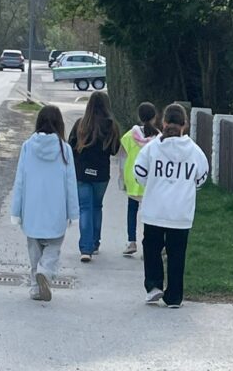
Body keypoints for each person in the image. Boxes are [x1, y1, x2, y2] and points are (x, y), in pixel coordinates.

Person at [133, 103, 210, 308]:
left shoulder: (152, 148)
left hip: (155, 209)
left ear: (164, 123)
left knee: (152, 247)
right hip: (181, 211)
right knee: (177, 253)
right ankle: (174, 296)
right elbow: (201, 178)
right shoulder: (195, 152)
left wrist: (152, 184)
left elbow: (139, 172)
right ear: (185, 125)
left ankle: (154, 285)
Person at [10, 104, 79, 302]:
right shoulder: (64, 149)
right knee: (53, 246)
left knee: (34, 250)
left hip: (31, 209)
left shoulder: (27, 146)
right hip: (56, 209)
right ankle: (46, 271)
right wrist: (73, 213)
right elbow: (70, 183)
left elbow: (20, 180)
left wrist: (16, 211)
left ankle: (35, 287)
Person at [68, 92, 121, 263]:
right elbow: (114, 150)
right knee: (97, 207)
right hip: (101, 174)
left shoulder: (80, 124)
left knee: (85, 208)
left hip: (82, 173)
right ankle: (95, 243)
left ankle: (86, 248)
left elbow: (70, 147)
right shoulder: (111, 126)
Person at [117, 102, 162, 256]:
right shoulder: (159, 139)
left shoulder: (129, 136)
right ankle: (147, 245)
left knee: (132, 210)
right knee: (149, 214)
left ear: (139, 117)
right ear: (155, 117)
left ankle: (131, 242)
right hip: (150, 180)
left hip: (132, 179)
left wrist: (122, 178)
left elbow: (122, 158)